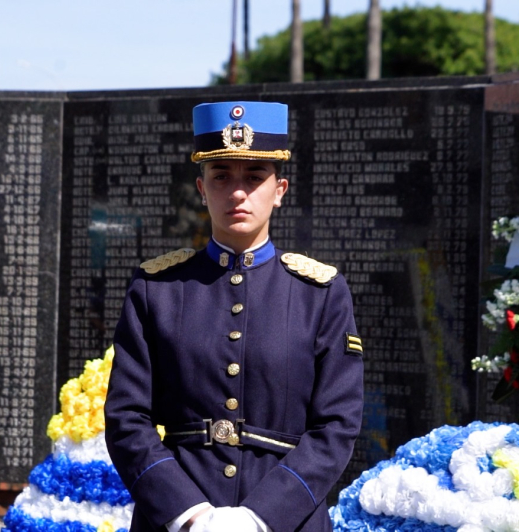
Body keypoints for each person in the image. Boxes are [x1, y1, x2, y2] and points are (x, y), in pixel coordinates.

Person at [105, 101, 364, 532]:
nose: (238, 192)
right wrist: (189, 513)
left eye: (254, 177)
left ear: (280, 190)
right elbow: (127, 418)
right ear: (201, 188)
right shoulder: (157, 289)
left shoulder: (319, 294)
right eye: (221, 176)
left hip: (287, 520)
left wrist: (260, 516)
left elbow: (336, 425)